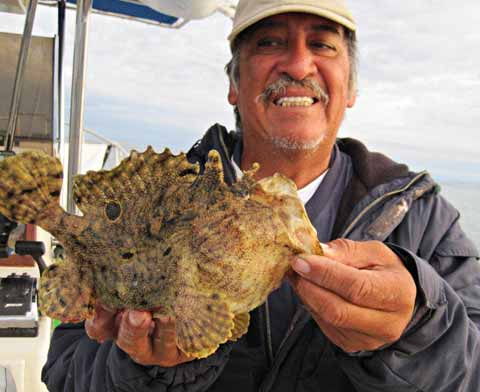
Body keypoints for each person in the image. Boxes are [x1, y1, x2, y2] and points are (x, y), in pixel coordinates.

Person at [41, 0, 480, 391]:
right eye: (270, 43)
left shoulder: (422, 216)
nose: (299, 64)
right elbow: (65, 372)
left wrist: (416, 332)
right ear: (234, 84)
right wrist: (143, 366)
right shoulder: (163, 196)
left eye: (323, 45)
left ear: (351, 89)